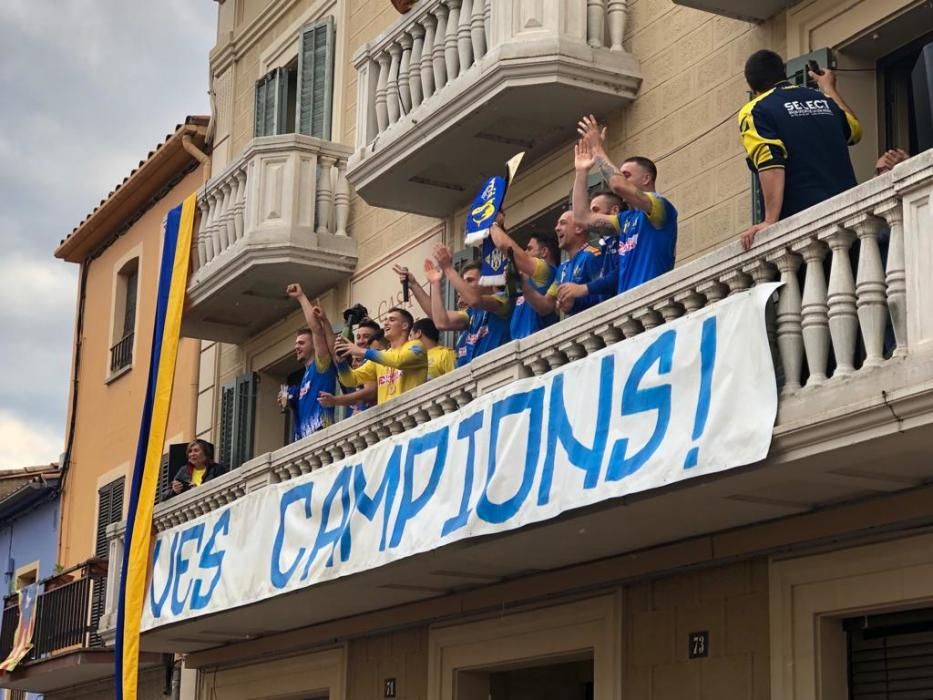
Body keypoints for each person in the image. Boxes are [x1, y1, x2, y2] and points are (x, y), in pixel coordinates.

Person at [738, 50, 862, 250]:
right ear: (783, 72)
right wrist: (829, 88)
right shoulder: (823, 99)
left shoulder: (756, 110)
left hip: (805, 233)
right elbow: (854, 131)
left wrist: (770, 221)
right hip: (849, 220)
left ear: (752, 86)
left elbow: (770, 161)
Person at [559, 131, 677, 306]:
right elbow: (581, 217)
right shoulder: (625, 220)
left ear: (646, 178)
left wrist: (597, 149)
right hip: (628, 309)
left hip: (653, 304)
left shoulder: (661, 206)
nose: (620, 178)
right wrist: (581, 172)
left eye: (626, 175)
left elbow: (617, 185)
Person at [426, 245, 512, 366]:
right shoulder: (471, 313)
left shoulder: (502, 299)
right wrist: (435, 283)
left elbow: (474, 300)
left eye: (470, 280)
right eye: (463, 281)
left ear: (486, 281)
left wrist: (448, 269)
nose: (462, 286)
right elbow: (441, 322)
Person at [334, 307, 428, 404]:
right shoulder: (381, 356)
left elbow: (399, 361)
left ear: (405, 326)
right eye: (385, 320)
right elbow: (350, 380)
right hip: (388, 417)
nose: (386, 323)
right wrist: (341, 362)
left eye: (392, 320)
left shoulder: (416, 346)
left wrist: (361, 351)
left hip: (410, 416)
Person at [281, 283, 337, 441]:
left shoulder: (321, 366)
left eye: (301, 343)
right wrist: (287, 400)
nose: (296, 347)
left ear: (314, 345)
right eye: (296, 343)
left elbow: (316, 330)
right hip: (306, 443)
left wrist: (300, 297)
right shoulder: (304, 378)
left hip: (321, 436)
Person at [488, 222, 560, 339]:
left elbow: (504, 246)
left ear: (544, 252)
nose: (525, 253)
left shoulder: (546, 270)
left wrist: (491, 222)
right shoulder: (527, 279)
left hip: (535, 344)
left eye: (529, 249)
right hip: (518, 348)